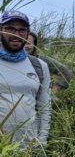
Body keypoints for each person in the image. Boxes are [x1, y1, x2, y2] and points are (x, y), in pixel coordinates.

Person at [0, 10, 51, 149]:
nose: (16, 35)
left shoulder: (39, 66)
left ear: (28, 33)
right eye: (10, 28)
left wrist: (41, 141)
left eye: (22, 30)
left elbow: (44, 107)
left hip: (27, 151)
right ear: (1, 30)